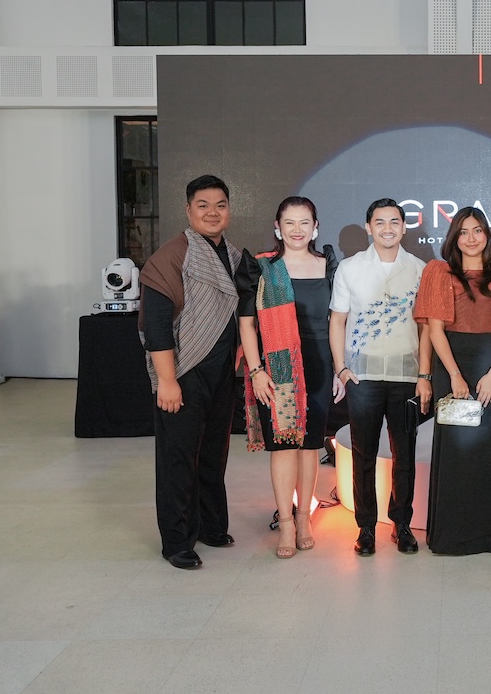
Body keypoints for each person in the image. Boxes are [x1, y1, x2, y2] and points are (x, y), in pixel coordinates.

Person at [139, 175, 249, 570]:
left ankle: (210, 526)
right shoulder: (171, 257)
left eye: (220, 205)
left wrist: (240, 348)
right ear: (188, 211)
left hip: (221, 372)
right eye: (203, 205)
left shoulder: (234, 256)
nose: (212, 212)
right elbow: (155, 325)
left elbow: (240, 311)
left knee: (213, 453)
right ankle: (177, 541)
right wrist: (167, 381)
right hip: (183, 370)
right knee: (179, 457)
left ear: (229, 211)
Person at [413, 207, 491, 554]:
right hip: (452, 370)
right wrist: (454, 376)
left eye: (477, 231)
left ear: (487, 235)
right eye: (463, 232)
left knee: (487, 452)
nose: (471, 238)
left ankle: (488, 535)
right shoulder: (439, 272)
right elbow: (434, 330)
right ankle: (451, 535)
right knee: (456, 453)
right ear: (454, 238)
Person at [329, 198, 432, 556]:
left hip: (406, 376)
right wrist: (341, 368)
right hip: (363, 376)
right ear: (368, 227)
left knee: (404, 455)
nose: (387, 228)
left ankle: (401, 524)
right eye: (380, 222)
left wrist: (424, 374)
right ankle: (366, 528)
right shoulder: (350, 268)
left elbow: (426, 328)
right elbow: (337, 320)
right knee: (364, 454)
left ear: (403, 227)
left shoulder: (420, 270)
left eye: (394, 222)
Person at [239, 196, 340, 559]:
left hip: (319, 364)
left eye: (304, 222)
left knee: (310, 445)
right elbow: (246, 324)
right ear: (277, 228)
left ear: (316, 227)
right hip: (278, 367)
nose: (297, 230)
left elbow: (338, 322)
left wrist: (340, 367)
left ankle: (303, 519)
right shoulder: (263, 268)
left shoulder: (329, 266)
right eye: (290, 223)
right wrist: (256, 371)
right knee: (284, 445)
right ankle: (285, 522)